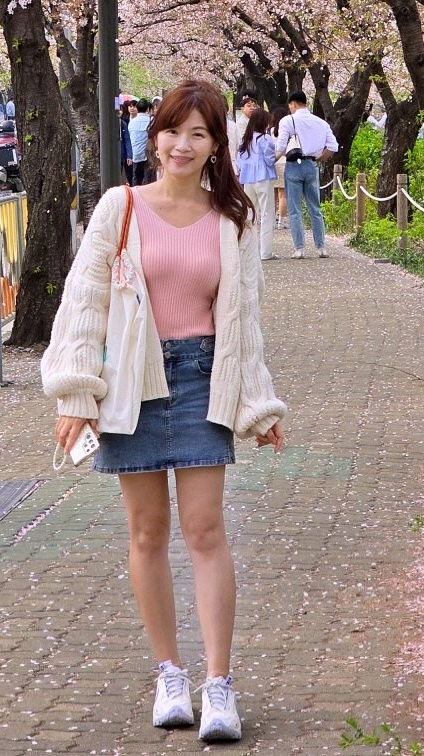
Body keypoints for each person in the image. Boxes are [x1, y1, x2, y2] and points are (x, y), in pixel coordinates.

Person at [42, 79, 286, 743]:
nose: (183, 144)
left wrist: (258, 405)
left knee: (205, 530)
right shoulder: (118, 208)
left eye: (199, 134)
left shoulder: (231, 220)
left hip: (205, 378)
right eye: (174, 130)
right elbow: (84, 304)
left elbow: (243, 321)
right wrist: (75, 393)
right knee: (147, 532)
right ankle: (169, 674)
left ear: (216, 146)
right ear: (156, 138)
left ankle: (219, 684)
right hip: (133, 381)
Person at [273, 91, 338, 259]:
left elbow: (280, 147)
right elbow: (333, 146)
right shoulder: (321, 122)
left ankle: (299, 248)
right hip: (311, 165)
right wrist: (319, 159)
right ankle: (321, 247)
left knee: (294, 210)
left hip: (294, 165)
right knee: (315, 208)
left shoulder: (288, 120)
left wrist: (270, 161)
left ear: (293, 104)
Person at [236, 107, 277, 261]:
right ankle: (265, 252)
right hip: (263, 178)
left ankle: (245, 249)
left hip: (248, 180)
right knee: (267, 214)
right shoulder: (264, 139)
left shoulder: (246, 140)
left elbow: (240, 162)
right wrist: (278, 154)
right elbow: (269, 159)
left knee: (249, 215)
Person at [129, 98, 152, 185]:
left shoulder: (131, 123)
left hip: (136, 154)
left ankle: (135, 196)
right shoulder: (150, 121)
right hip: (147, 154)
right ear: (147, 109)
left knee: (136, 177)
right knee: (147, 178)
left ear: (137, 109)